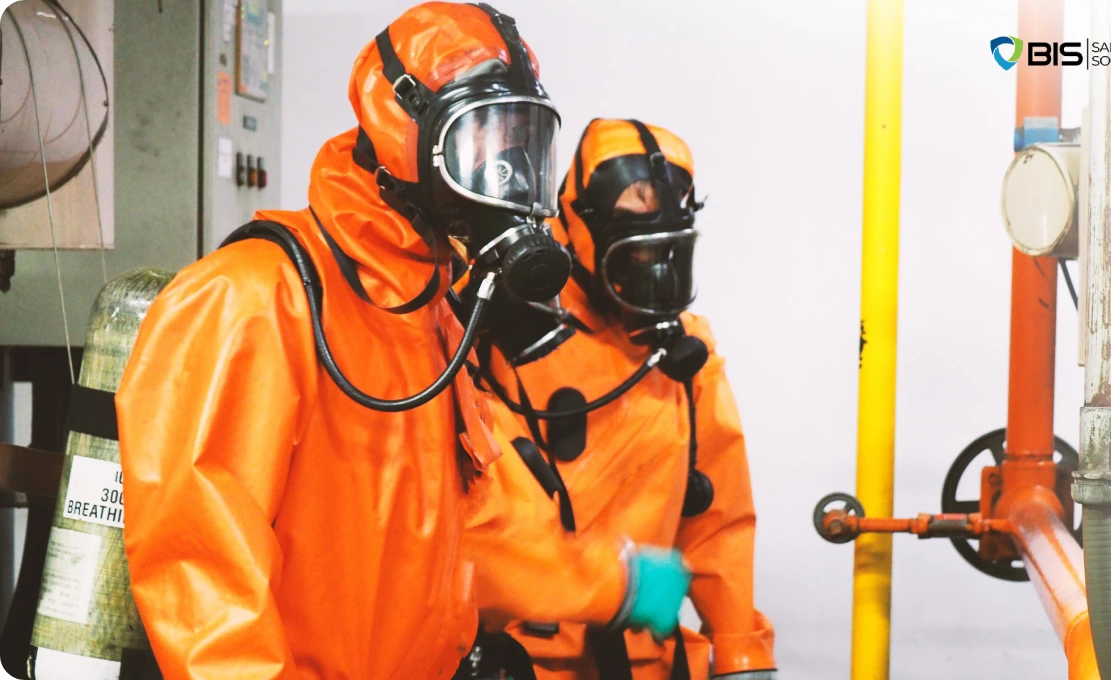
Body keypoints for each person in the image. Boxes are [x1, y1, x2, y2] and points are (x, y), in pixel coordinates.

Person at [115, 7, 689, 679]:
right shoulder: (254, 298)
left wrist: (606, 579)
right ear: (403, 132)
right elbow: (202, 585)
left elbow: (466, 543)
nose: (506, 178)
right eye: (484, 146)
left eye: (519, 149)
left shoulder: (431, 315)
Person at [457, 119, 776, 680]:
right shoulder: (487, 337)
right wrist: (609, 584)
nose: (654, 274)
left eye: (666, 253)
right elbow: (470, 533)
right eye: (634, 251)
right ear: (578, 230)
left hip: (643, 662)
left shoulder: (684, 356)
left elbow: (717, 519)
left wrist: (741, 653)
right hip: (515, 663)